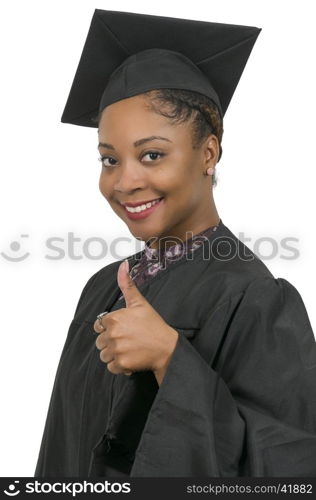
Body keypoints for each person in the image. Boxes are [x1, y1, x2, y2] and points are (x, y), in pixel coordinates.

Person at [34, 9, 316, 477]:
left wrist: (170, 359)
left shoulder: (255, 300)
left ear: (208, 152)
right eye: (109, 159)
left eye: (152, 154)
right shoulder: (102, 288)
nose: (125, 181)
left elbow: (291, 475)